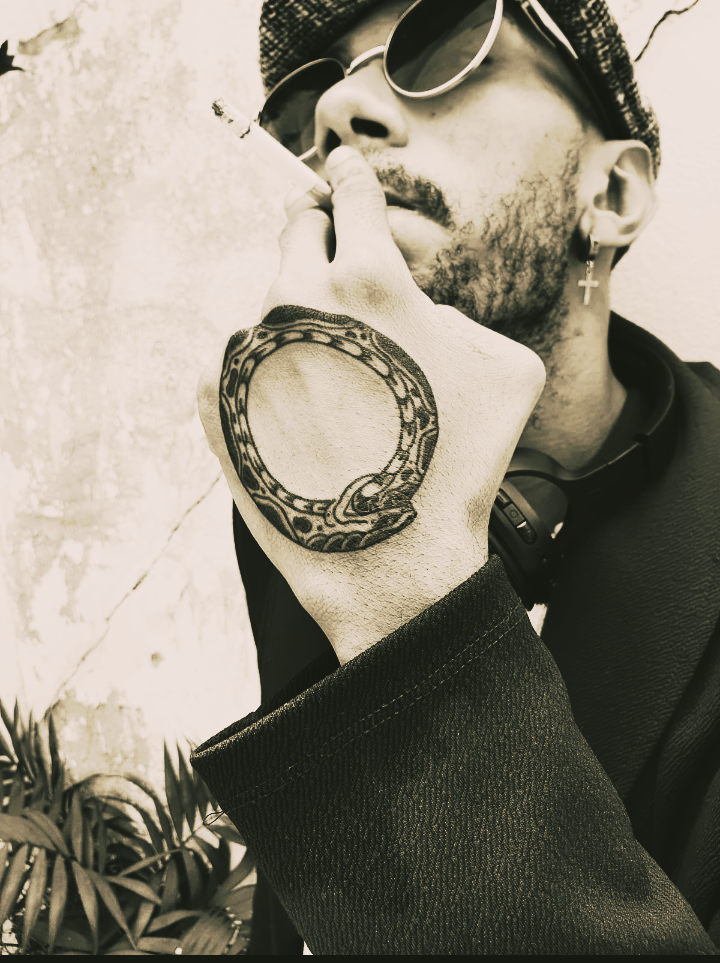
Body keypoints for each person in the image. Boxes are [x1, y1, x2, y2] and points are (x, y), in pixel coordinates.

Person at [191, 0, 720, 954]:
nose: (338, 114)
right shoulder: (304, 477)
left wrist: (405, 613)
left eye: (442, 41)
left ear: (612, 192)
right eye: (306, 99)